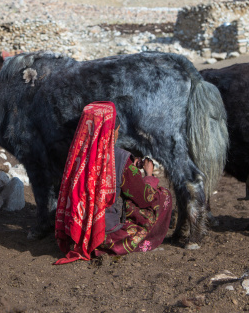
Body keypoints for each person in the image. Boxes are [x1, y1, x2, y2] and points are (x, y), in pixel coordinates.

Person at [54, 101, 172, 264]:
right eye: (116, 129)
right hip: (106, 234)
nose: (117, 132)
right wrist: (149, 176)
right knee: (163, 197)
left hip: (78, 231)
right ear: (109, 131)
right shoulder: (120, 158)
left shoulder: (76, 155)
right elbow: (144, 198)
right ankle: (116, 246)